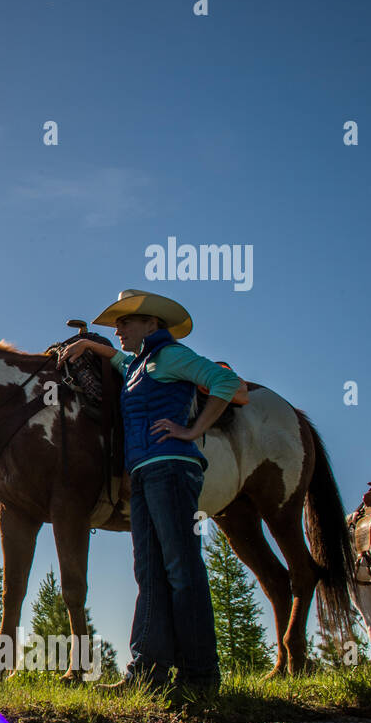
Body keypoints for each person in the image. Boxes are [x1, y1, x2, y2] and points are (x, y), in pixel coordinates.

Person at [57, 289, 247, 699]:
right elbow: (119, 360)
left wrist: (192, 431)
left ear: (152, 325)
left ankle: (200, 678)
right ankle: (148, 673)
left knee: (181, 569)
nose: (119, 329)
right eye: (117, 324)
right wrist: (89, 344)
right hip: (144, 475)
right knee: (149, 572)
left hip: (173, 469)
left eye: (126, 322)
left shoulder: (172, 356)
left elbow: (227, 382)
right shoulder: (141, 364)